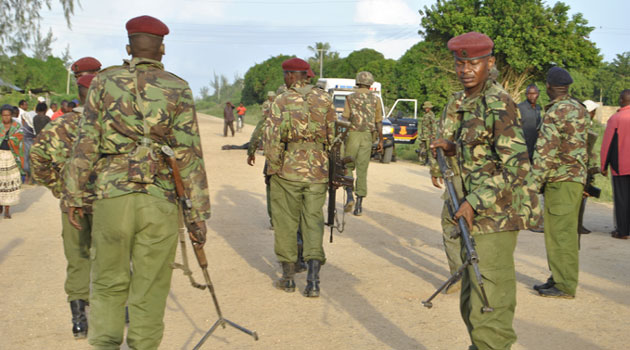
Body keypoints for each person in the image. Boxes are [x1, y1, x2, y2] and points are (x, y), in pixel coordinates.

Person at [62, 15, 211, 349]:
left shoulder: (102, 82)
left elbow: (85, 141)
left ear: (129, 48)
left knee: (107, 283)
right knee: (150, 287)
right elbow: (189, 154)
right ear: (162, 48)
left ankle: (104, 344)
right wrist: (198, 213)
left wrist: (73, 195)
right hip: (158, 200)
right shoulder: (178, 87)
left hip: (111, 197)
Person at [430, 32, 541, 350]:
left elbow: (517, 167)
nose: (464, 69)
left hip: (496, 214)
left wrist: (473, 201)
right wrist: (452, 147)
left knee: (489, 304)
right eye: (459, 62)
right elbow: (485, 151)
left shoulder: (498, 103)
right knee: (472, 301)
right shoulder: (471, 101)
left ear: (489, 63)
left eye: (473, 63)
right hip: (477, 212)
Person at [30, 74, 96, 339]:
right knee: (113, 258)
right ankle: (120, 310)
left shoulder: (61, 125)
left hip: (72, 203)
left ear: (78, 93)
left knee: (77, 258)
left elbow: (37, 157)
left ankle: (79, 321)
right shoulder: (111, 125)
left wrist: (59, 188)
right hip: (107, 203)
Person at [263, 57, 335, 297]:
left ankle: (288, 278)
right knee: (313, 221)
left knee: (285, 223)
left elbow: (272, 138)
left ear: (291, 76)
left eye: (286, 75)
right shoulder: (325, 98)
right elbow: (333, 136)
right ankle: (313, 281)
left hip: (289, 171)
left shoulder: (281, 100)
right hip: (318, 171)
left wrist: (273, 168)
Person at [532, 67, 588, 299]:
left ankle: (564, 284)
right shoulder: (579, 108)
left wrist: (532, 184)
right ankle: (558, 277)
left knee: (559, 233)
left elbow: (545, 151)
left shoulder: (555, 111)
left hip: (560, 179)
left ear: (548, 86)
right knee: (565, 232)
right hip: (575, 179)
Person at [342, 71, 383, 216]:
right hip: (367, 136)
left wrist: (340, 137)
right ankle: (359, 205)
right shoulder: (376, 99)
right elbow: (379, 121)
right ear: (370, 83)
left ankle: (349, 196)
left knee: (347, 165)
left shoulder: (350, 97)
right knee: (362, 169)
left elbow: (345, 118)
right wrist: (381, 140)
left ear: (357, 81)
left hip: (352, 135)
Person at [601, 89, 630, 239]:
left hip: (621, 165)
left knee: (621, 198)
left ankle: (622, 231)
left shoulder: (616, 118)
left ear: (621, 100)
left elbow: (607, 144)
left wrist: (603, 166)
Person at [248, 91, 276, 226]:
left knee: (271, 188)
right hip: (295, 163)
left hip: (272, 160)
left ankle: (274, 220)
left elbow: (256, 136)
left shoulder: (268, 119)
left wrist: (251, 153)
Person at [578, 99, 601, 235]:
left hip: (584, 165)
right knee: (582, 196)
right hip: (583, 166)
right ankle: (578, 225)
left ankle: (579, 224)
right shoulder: (584, 126)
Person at [0, 104, 24, 219]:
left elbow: (19, 139)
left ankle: (7, 209)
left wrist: (9, 139)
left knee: (9, 182)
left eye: (8, 115)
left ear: (11, 115)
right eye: (4, 115)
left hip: (11, 157)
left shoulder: (17, 126)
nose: (6, 117)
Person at [517, 84, 542, 162]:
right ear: (526, 95)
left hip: (535, 145)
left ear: (538, 94)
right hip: (523, 145)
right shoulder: (520, 107)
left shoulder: (538, 108)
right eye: (529, 94)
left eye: (534, 93)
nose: (532, 96)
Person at [418, 101, 436, 166]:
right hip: (424, 135)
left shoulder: (431, 115)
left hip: (429, 135)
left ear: (430, 108)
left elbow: (433, 125)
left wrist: (433, 134)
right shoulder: (425, 114)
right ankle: (423, 161)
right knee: (422, 148)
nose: (426, 109)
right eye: (425, 108)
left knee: (429, 149)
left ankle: (432, 162)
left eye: (427, 108)